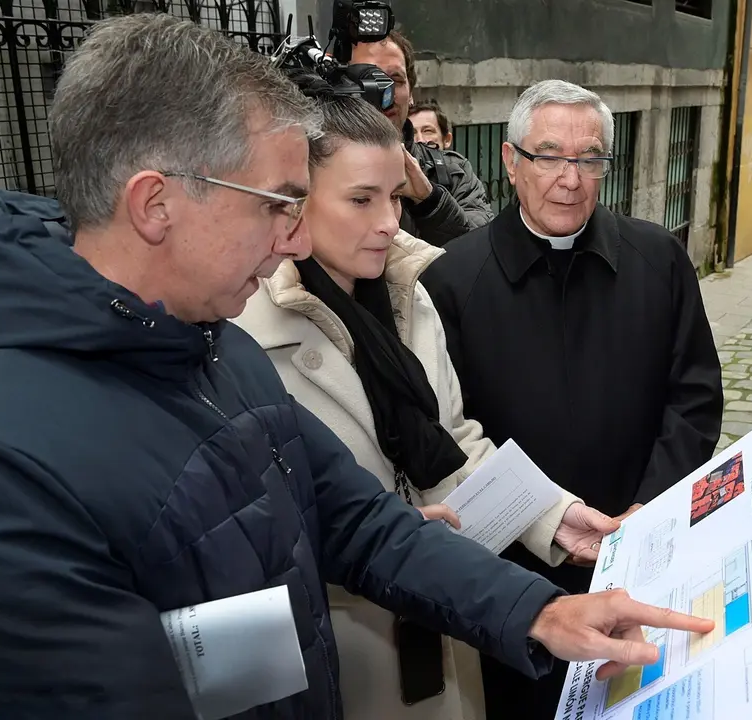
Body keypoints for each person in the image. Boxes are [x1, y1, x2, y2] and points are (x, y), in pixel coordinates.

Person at [0, 16, 714, 720]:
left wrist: (539, 611)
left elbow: (361, 522)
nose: (295, 243)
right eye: (277, 204)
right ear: (156, 204)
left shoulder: (218, 351)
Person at [234, 92, 620, 720]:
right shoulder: (245, 332)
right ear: (297, 200)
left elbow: (455, 442)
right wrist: (395, 537)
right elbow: (259, 527)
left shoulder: (410, 296)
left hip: (445, 627)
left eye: (395, 197)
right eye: (361, 199)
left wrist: (554, 516)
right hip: (346, 644)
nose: (389, 222)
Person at [421, 79, 725, 719]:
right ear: (511, 163)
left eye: (588, 159)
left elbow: (695, 397)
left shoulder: (659, 260)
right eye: (549, 157)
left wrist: (650, 505)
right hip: (519, 573)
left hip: (639, 548)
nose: (570, 179)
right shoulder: (451, 279)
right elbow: (448, 431)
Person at [350, 29, 495, 245]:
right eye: (369, 78)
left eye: (395, 80)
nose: (385, 92)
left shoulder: (454, 173)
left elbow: (480, 252)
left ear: (411, 94)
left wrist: (431, 202)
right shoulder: (312, 170)